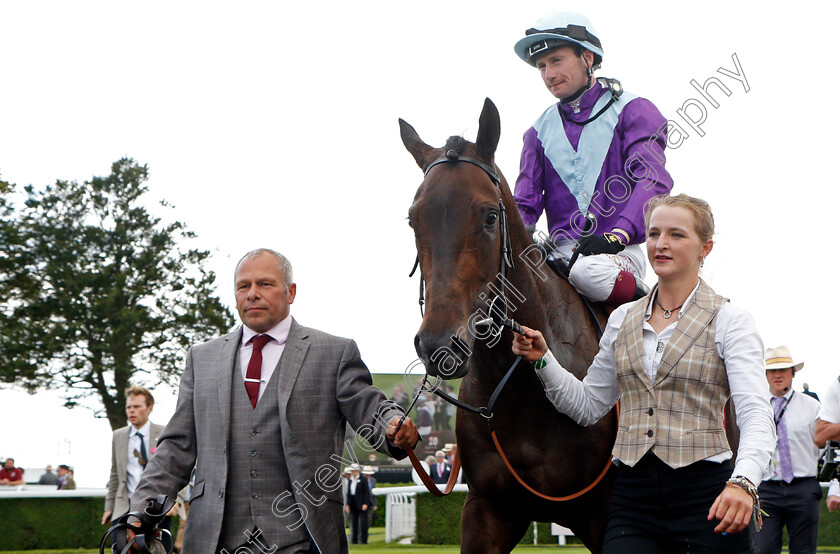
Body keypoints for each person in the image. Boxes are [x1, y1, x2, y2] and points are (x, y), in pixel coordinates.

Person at [512, 194, 775, 552]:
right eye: (653, 234)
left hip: (709, 497)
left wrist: (743, 482)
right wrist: (544, 360)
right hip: (633, 498)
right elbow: (588, 406)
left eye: (676, 234)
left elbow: (756, 414)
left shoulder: (731, 321)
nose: (661, 244)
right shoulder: (622, 319)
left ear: (706, 247)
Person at [129, 248, 419, 554]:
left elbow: (368, 405)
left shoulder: (334, 352)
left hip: (304, 539)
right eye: (244, 286)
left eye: (265, 284)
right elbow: (176, 447)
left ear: (291, 292)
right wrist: (140, 510)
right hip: (212, 540)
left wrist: (392, 424)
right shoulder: (201, 359)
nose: (252, 294)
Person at [512, 11, 673, 305]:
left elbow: (652, 180)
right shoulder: (536, 133)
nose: (548, 75)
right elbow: (524, 206)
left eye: (557, 61)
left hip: (614, 254)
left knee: (587, 272)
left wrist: (619, 234)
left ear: (587, 57)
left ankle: (646, 307)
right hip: (557, 255)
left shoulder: (633, 110)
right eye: (542, 66)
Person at [753, 346, 822, 554]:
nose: (778, 375)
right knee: (762, 549)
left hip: (803, 488)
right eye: (772, 370)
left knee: (804, 550)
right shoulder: (755, 405)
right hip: (766, 489)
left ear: (793, 372)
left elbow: (825, 447)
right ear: (765, 374)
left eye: (783, 369)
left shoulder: (812, 406)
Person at [102, 385, 165, 525]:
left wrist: (176, 501)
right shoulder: (118, 436)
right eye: (128, 407)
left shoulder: (163, 433)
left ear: (149, 408)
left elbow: (175, 469)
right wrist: (109, 507)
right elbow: (115, 474)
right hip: (124, 507)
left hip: (155, 507)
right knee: (120, 547)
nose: (131, 410)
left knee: (157, 547)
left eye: (137, 406)